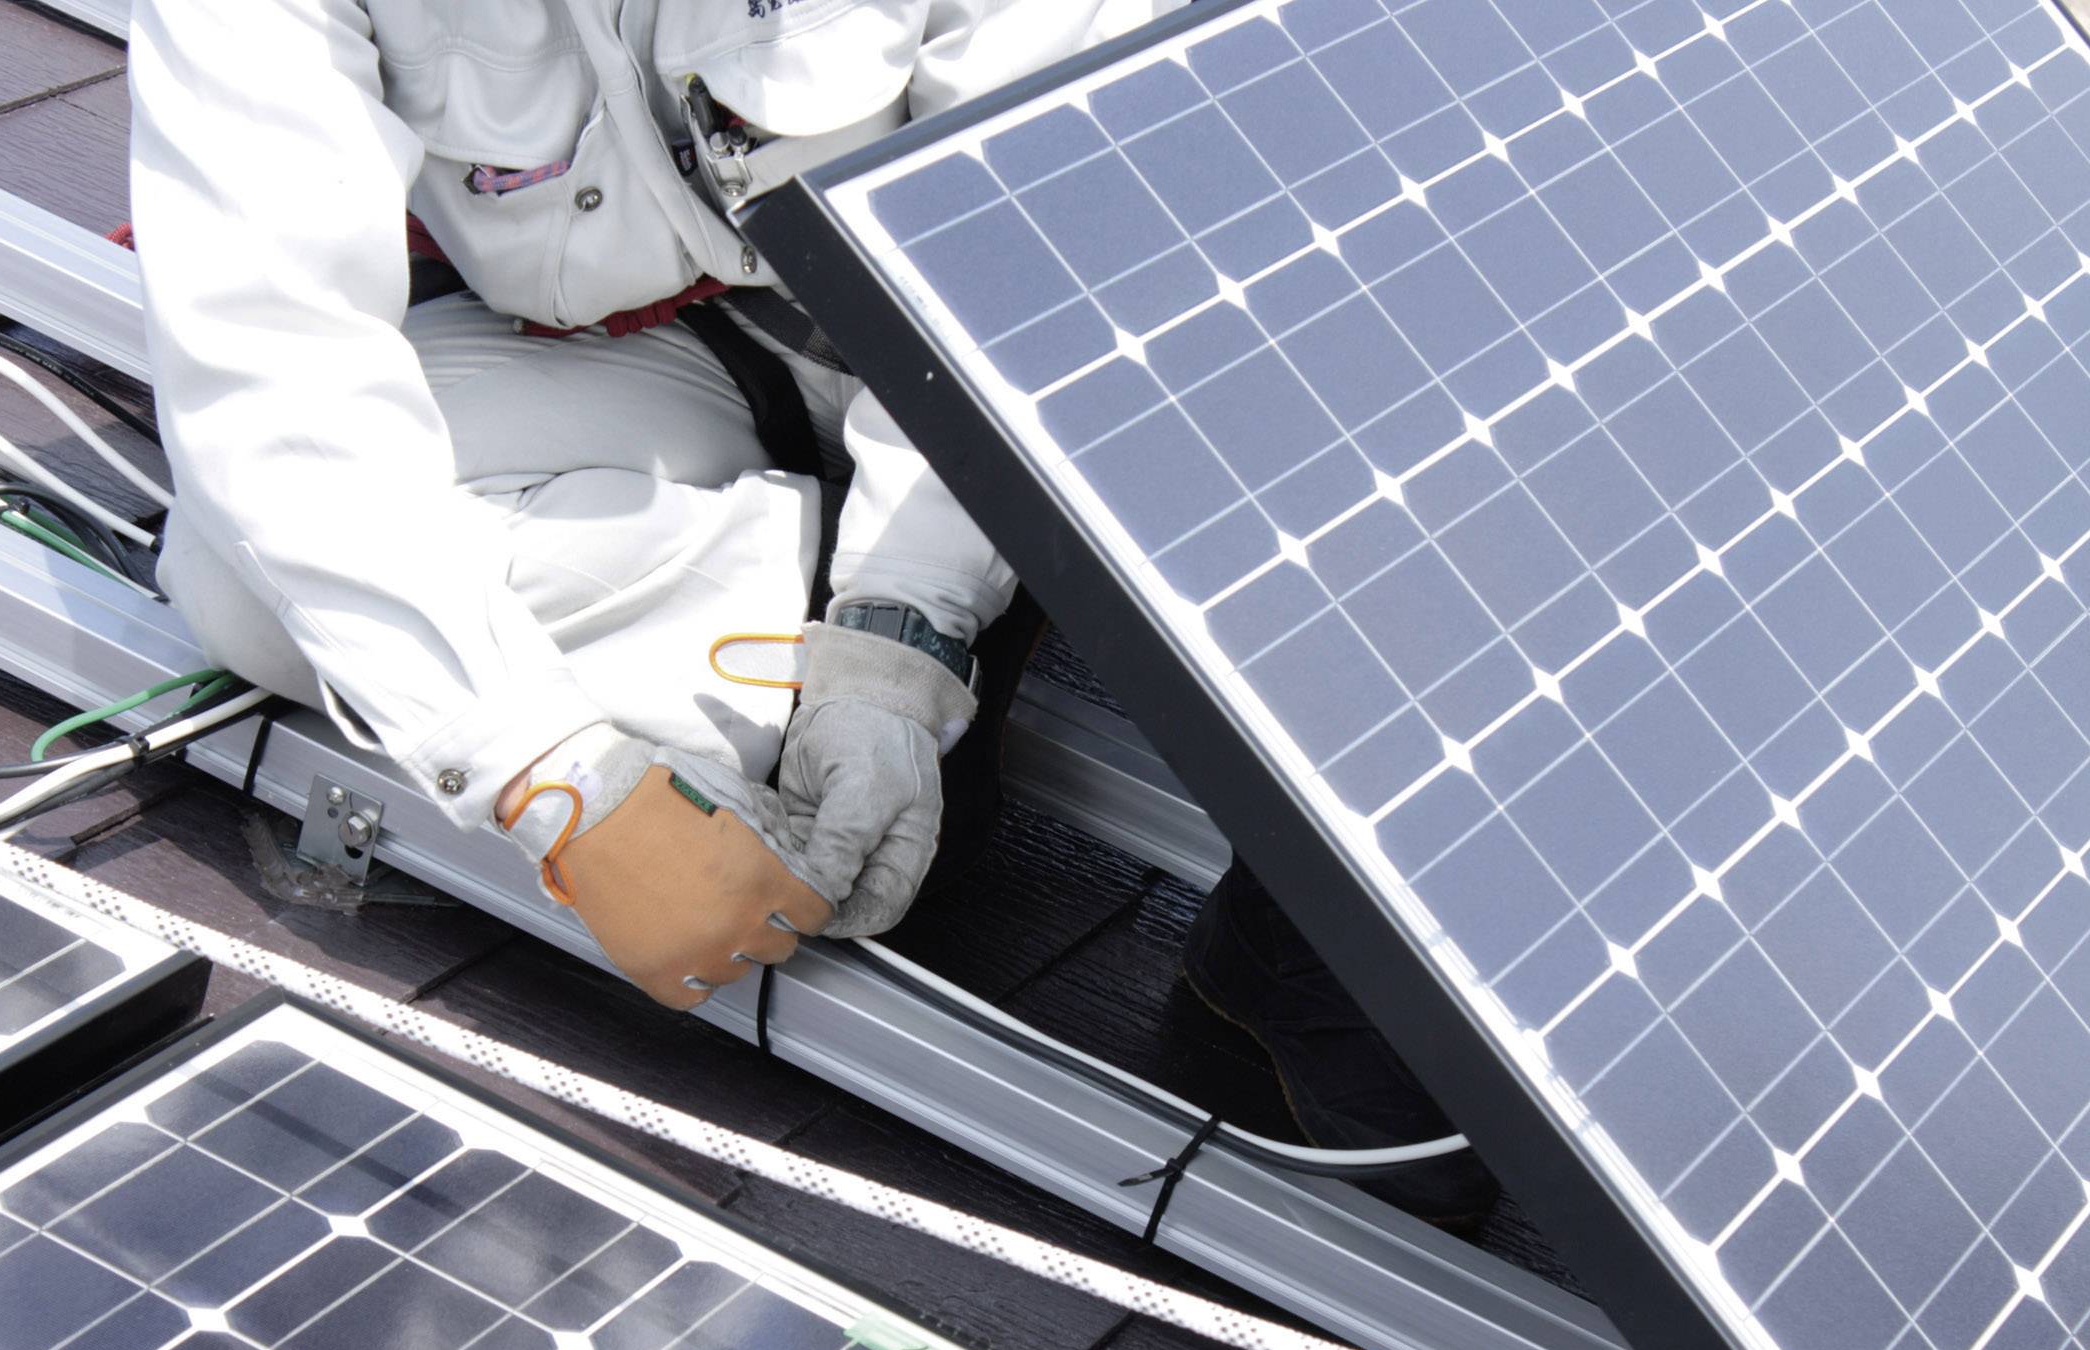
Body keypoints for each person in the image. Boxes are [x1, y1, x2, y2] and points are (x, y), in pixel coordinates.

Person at [127, 0, 1498, 1226]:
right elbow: (272, 355)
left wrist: (900, 632)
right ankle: (828, 622)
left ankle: (1276, 942)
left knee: (1397, 358)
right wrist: (540, 768)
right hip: (647, 358)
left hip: (1023, 362)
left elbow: (1023, 259)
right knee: (254, 588)